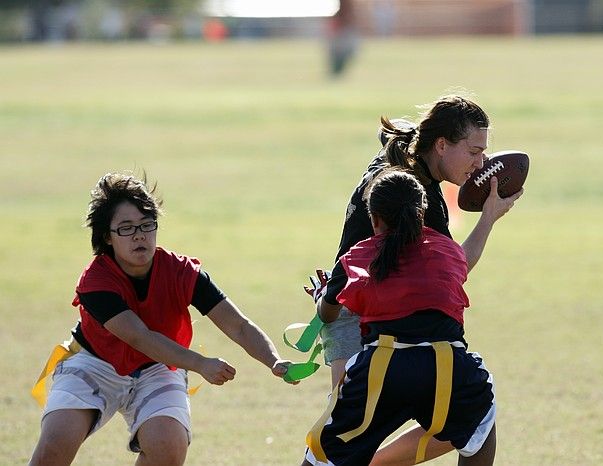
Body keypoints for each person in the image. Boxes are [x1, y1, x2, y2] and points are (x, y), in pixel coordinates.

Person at [29, 172, 294, 466]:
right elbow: (139, 337)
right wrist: (201, 364)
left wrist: (273, 360)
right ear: (107, 236)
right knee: (55, 446)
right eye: (126, 228)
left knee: (168, 448)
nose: (140, 235)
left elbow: (239, 325)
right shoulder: (96, 280)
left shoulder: (182, 272)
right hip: (94, 362)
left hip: (158, 366)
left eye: (146, 225)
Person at [314, 94, 522, 464]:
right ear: (441, 145)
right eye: (474, 151)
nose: (482, 163)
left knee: (357, 437)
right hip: (362, 309)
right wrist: (489, 217)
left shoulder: (405, 165)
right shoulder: (417, 194)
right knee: (358, 436)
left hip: (352, 300)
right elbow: (451, 271)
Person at [302, 169, 500, 465]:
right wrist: (489, 217)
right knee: (480, 426)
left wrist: (322, 297)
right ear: (422, 213)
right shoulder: (446, 249)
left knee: (324, 455)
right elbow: (458, 265)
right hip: (446, 364)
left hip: (384, 366)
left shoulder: (358, 255)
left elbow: (329, 315)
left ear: (374, 219)